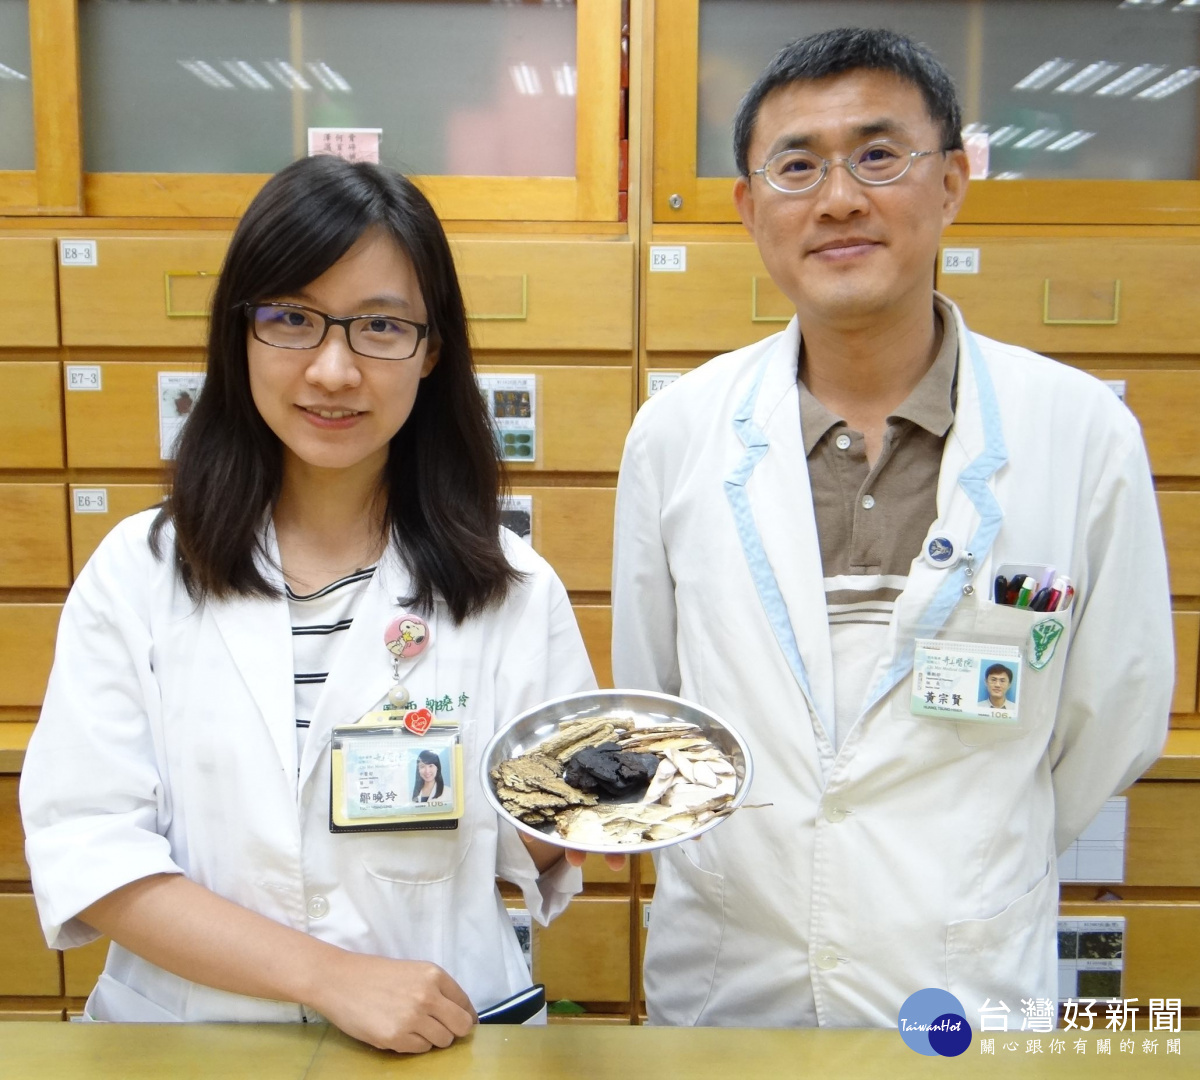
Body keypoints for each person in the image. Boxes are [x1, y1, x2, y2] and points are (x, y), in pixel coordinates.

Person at [612, 28, 1172, 1027]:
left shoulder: (1080, 431)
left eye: (878, 156)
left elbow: (1114, 714)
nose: (838, 199)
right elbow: (656, 702)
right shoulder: (678, 433)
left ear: (952, 182)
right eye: (797, 166)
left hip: (963, 973)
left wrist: (964, 862)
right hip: (733, 981)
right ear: (748, 208)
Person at [20, 155, 597, 1052]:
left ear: (431, 350)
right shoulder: (139, 573)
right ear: (241, 335)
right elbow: (92, 849)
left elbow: (530, 848)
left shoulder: (511, 589)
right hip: (194, 1046)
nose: (333, 370)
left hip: (432, 1047)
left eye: (380, 326)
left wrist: (600, 814)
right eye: (291, 318)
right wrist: (328, 976)